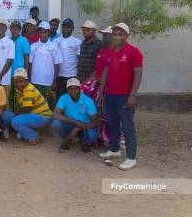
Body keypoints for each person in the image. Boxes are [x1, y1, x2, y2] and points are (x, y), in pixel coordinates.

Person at [98, 23, 143, 171]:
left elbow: (138, 74)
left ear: (126, 36)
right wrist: (101, 91)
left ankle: (131, 158)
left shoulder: (134, 52)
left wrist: (132, 95)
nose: (117, 36)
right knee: (112, 123)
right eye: (115, 34)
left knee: (128, 127)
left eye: (120, 34)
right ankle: (115, 149)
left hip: (125, 96)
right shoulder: (110, 52)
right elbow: (105, 71)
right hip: (110, 94)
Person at [52, 78, 98, 153]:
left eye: (76, 88)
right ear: (67, 90)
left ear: (80, 89)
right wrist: (75, 122)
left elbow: (95, 122)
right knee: (55, 123)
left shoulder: (87, 100)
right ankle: (67, 139)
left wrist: (78, 128)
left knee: (93, 135)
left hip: (84, 126)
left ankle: (84, 141)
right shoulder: (64, 97)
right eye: (70, 89)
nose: (73, 91)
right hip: (71, 124)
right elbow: (55, 114)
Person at [10, 68, 53, 145]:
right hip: (35, 115)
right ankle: (33, 132)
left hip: (43, 116)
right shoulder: (21, 89)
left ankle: (34, 136)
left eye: (21, 81)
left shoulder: (28, 90)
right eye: (16, 81)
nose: (18, 83)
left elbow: (26, 108)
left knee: (14, 121)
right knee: (19, 133)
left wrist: (14, 115)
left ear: (26, 80)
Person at [28, 21, 63, 108]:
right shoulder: (33, 46)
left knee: (48, 104)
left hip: (48, 81)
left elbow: (56, 64)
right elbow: (30, 63)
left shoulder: (54, 46)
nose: (42, 34)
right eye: (40, 32)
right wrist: (29, 79)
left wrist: (54, 80)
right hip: (35, 80)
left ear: (48, 32)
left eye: (45, 32)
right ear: (38, 33)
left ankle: (49, 120)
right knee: (36, 103)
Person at [53, 18, 81, 99]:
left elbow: (79, 60)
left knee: (72, 98)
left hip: (72, 75)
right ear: (62, 27)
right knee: (61, 98)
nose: (66, 29)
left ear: (72, 28)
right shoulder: (55, 41)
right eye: (64, 27)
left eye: (69, 27)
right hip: (59, 76)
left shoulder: (77, 42)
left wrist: (77, 76)